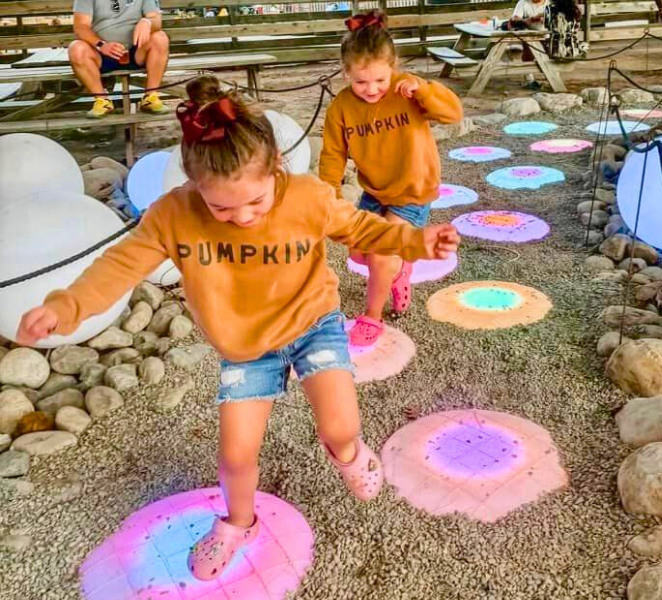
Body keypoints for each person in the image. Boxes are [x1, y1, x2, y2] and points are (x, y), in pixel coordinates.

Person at [15, 76, 460, 581]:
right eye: (221, 207)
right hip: (246, 348)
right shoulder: (173, 214)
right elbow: (120, 265)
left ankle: (352, 454)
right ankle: (238, 523)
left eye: (256, 201)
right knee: (235, 455)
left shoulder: (307, 196)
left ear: (277, 168)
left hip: (312, 323)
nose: (242, 216)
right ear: (192, 183)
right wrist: (68, 306)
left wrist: (417, 241)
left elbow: (362, 227)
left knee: (339, 429)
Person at [319, 10, 463, 347]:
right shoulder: (341, 107)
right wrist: (329, 196)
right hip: (375, 192)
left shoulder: (408, 88)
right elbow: (333, 155)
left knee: (381, 253)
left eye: (380, 80)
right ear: (346, 72)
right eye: (360, 82)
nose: (371, 89)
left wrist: (424, 91)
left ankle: (373, 316)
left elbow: (453, 113)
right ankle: (399, 269)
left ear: (393, 66)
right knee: (359, 252)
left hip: (413, 191)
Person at [69, 0, 170, 118]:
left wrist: (147, 22)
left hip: (136, 50)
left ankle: (150, 97)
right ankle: (102, 101)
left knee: (160, 38)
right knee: (76, 48)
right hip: (101, 52)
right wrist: (101, 45)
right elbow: (81, 27)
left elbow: (156, 20)